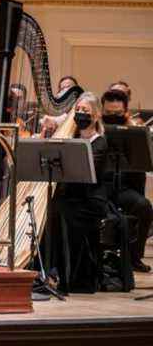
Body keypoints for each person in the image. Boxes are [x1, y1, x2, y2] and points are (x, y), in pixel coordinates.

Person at [48, 92, 111, 293]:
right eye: (78, 110)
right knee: (53, 211)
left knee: (61, 211)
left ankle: (69, 275)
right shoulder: (69, 137)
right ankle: (51, 269)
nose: (81, 114)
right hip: (72, 197)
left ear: (96, 115)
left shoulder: (99, 142)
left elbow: (85, 175)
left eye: (86, 111)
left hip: (91, 200)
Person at [101, 89, 152, 272]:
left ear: (126, 112)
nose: (112, 117)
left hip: (123, 189)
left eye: (117, 114)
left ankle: (134, 257)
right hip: (99, 187)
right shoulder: (95, 129)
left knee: (144, 206)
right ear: (101, 111)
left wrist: (130, 126)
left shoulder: (134, 131)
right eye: (108, 114)